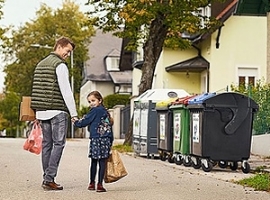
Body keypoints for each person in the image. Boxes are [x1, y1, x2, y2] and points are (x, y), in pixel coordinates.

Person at [31, 36, 78, 191]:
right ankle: (49, 179)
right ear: (59, 46)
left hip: (42, 112)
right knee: (58, 144)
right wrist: (73, 113)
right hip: (57, 111)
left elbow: (37, 89)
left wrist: (36, 112)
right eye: (68, 51)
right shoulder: (60, 65)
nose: (68, 55)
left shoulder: (40, 64)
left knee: (47, 145)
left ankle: (47, 177)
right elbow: (66, 91)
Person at [73, 90, 114, 192]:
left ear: (99, 100)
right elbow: (109, 128)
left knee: (94, 161)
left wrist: (76, 122)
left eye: (93, 100)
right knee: (102, 162)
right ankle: (100, 185)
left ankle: (92, 183)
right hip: (106, 139)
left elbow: (86, 121)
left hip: (96, 139)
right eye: (90, 101)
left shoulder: (95, 111)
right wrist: (111, 141)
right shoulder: (105, 112)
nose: (91, 103)